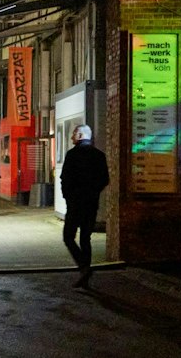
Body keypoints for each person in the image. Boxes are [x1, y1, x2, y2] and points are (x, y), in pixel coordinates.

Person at [59, 124, 110, 289]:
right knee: (85, 238)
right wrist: (93, 193)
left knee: (68, 236)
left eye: (74, 134)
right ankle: (85, 275)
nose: (72, 137)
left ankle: (83, 267)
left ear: (80, 135)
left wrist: (68, 197)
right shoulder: (99, 155)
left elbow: (65, 179)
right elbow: (105, 179)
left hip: (75, 204)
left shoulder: (72, 155)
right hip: (91, 203)